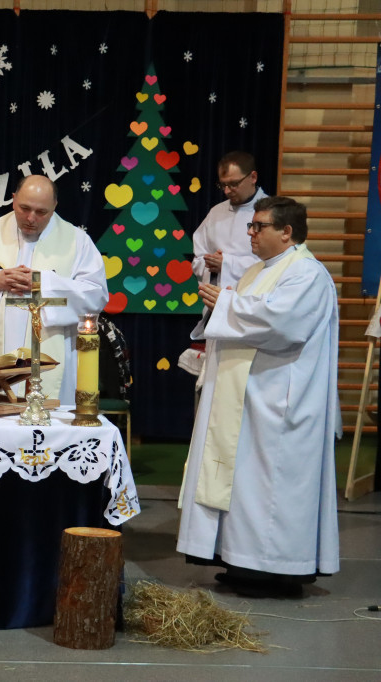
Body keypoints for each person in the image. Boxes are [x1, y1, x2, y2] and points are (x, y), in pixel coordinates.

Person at [177, 196, 340, 598]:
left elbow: (282, 323)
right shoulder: (257, 272)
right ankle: (242, 562)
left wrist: (228, 303)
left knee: (270, 488)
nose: (250, 233)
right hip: (247, 398)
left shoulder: (307, 274)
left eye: (259, 226)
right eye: (251, 226)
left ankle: (278, 571)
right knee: (242, 484)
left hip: (281, 402)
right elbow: (245, 316)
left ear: (287, 232)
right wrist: (226, 305)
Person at [0, 175, 108, 404]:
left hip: (51, 350)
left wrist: (45, 283)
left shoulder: (77, 241)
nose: (31, 218)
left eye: (41, 212)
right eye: (24, 208)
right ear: (13, 200)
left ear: (55, 206)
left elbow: (96, 294)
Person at [192, 151, 268, 290]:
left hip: (255, 299)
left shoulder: (272, 212)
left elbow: (276, 264)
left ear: (253, 177)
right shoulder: (216, 212)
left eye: (234, 184)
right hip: (217, 300)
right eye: (223, 185)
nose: (227, 191)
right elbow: (198, 260)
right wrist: (211, 263)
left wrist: (227, 264)